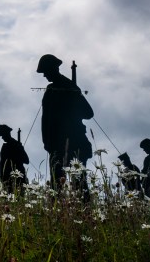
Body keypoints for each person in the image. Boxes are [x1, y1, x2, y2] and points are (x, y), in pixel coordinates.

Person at [37, 55, 93, 196]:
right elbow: (46, 119)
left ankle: (84, 213)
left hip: (75, 142)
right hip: (56, 145)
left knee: (79, 182)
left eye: (45, 71)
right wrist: (47, 142)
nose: (44, 75)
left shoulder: (71, 88)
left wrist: (72, 104)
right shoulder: (51, 91)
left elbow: (88, 113)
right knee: (57, 185)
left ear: (52, 69)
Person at [0, 124, 28, 194]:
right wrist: (2, 178)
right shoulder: (5, 147)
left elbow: (26, 160)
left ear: (7, 133)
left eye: (3, 135)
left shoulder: (17, 145)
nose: (2, 138)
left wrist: (19, 151)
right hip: (8, 179)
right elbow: (2, 165)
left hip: (19, 178)